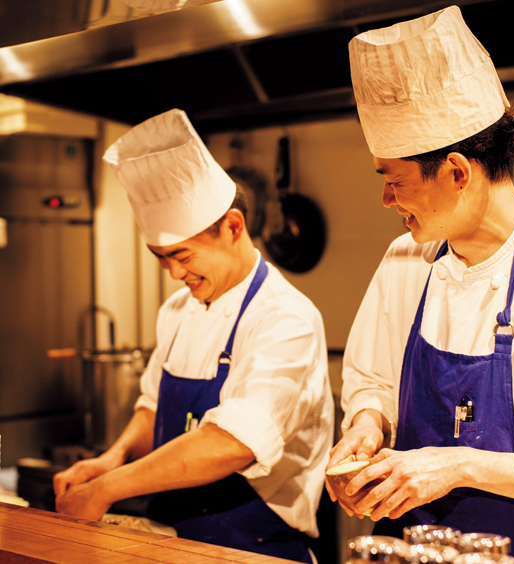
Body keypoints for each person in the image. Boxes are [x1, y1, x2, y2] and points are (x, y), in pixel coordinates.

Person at [327, 5, 514, 561]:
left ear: (457, 172)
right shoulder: (404, 261)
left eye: (394, 181)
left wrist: (458, 464)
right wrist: (367, 425)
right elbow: (371, 379)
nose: (386, 200)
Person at [53, 108, 334, 564]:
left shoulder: (286, 319)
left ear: (234, 228)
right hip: (169, 543)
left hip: (254, 552)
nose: (173, 273)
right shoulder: (177, 310)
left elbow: (231, 444)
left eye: (181, 255)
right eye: (160, 257)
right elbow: (152, 408)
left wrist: (108, 488)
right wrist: (114, 457)